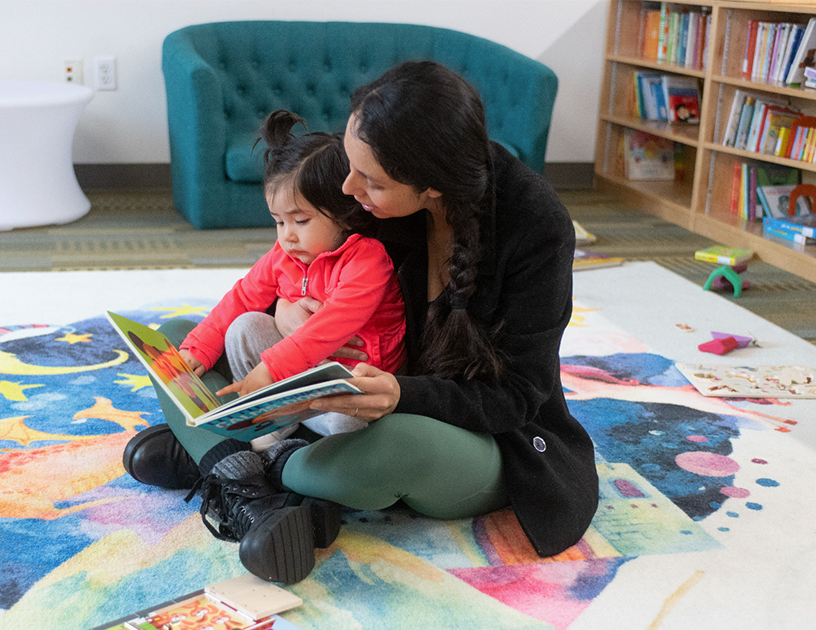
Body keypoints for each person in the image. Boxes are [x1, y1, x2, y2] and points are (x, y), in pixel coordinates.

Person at [125, 62, 599, 585]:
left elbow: (517, 397)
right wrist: (283, 311)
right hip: (336, 392)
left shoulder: (535, 227)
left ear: (432, 186)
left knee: (392, 446)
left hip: (461, 429)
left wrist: (402, 394)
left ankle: (229, 461)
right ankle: (260, 492)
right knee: (173, 340)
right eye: (351, 166)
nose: (348, 188)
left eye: (368, 180)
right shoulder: (366, 192)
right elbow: (284, 269)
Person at [122, 109, 405, 581]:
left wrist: (269, 374)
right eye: (278, 221)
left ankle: (252, 463)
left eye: (300, 220)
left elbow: (328, 329)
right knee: (246, 324)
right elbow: (240, 298)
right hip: (295, 390)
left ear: (343, 212)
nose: (286, 235)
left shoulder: (368, 260)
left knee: (339, 407)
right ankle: (269, 453)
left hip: (348, 398)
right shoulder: (285, 255)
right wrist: (196, 351)